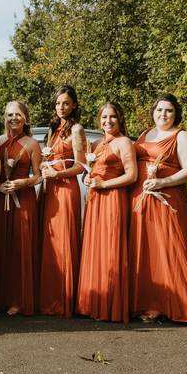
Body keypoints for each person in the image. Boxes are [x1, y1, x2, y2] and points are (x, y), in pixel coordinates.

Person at [129, 94, 187, 323]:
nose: (163, 114)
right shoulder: (145, 134)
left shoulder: (181, 136)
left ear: (176, 114)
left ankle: (177, 304)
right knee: (146, 251)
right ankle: (148, 302)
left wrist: (163, 182)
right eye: (160, 109)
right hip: (140, 199)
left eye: (169, 110)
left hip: (167, 199)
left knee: (170, 248)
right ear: (153, 111)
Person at [77, 102, 137, 323]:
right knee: (95, 248)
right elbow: (91, 172)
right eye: (104, 117)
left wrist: (105, 184)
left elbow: (131, 176)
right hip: (95, 201)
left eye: (112, 117)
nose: (108, 121)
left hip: (113, 199)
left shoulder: (124, 143)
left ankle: (110, 306)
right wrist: (88, 178)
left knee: (111, 249)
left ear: (120, 119)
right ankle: (92, 302)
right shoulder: (96, 143)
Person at [38, 85, 87, 317]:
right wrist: (44, 166)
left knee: (65, 240)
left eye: (66, 103)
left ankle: (66, 300)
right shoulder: (53, 129)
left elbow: (80, 166)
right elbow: (48, 158)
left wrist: (57, 173)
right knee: (52, 243)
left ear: (74, 105)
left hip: (66, 189)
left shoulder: (76, 130)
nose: (61, 107)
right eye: (58, 103)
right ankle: (51, 298)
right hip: (51, 191)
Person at [0, 101, 43, 316]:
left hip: (24, 201)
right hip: (2, 199)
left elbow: (39, 175)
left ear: (26, 118)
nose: (14, 118)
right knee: (3, 247)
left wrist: (23, 183)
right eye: (10, 114)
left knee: (20, 249)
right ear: (5, 117)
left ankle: (18, 299)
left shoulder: (32, 144)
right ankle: (0, 297)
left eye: (18, 115)